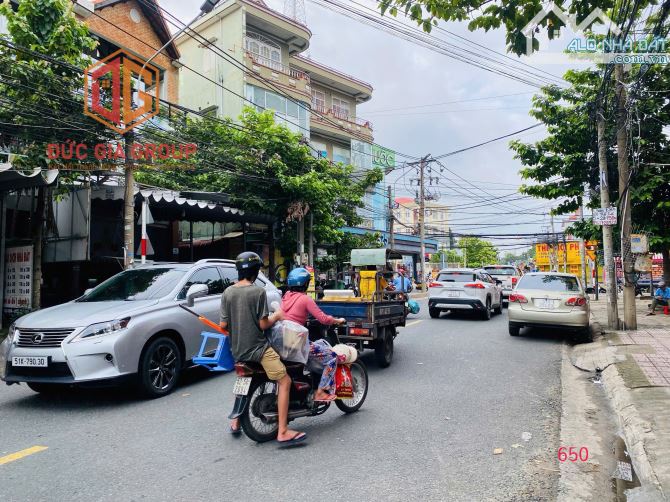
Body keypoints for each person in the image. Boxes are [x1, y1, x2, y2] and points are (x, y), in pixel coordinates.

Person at [220, 252, 306, 445]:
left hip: (238, 350)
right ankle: (282, 431)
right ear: (255, 271)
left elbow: (224, 326)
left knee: (244, 379)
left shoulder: (228, 292)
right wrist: (276, 316)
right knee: (285, 380)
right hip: (258, 349)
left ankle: (235, 422)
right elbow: (263, 325)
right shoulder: (257, 292)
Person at [281, 268, 346, 402]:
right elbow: (323, 319)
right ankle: (321, 392)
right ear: (305, 284)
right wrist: (337, 320)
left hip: (283, 342)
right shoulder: (305, 299)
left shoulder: (285, 296)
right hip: (297, 343)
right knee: (332, 357)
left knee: (319, 344)